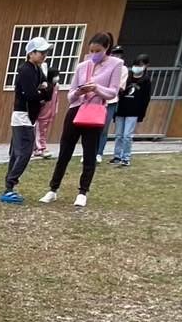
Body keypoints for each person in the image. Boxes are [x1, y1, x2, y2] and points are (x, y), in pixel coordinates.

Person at [40, 33, 123, 210]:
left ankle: (82, 192)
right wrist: (79, 92)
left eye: (97, 50)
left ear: (106, 47)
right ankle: (53, 189)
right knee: (65, 152)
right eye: (91, 50)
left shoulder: (116, 64)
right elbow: (70, 95)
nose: (94, 54)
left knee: (89, 153)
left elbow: (113, 93)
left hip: (95, 111)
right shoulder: (83, 66)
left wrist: (96, 88)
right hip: (76, 110)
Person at [0, 36, 50, 203]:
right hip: (22, 116)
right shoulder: (26, 70)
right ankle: (10, 184)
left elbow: (47, 89)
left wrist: (42, 92)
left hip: (29, 116)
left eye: (45, 52)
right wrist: (41, 93)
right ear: (31, 53)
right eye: (41, 52)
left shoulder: (38, 69)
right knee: (25, 152)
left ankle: (9, 186)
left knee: (16, 152)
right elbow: (31, 95)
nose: (44, 55)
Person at [111, 56, 152, 167]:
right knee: (119, 135)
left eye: (140, 65)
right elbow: (120, 92)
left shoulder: (146, 81)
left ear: (146, 66)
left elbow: (145, 99)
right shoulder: (127, 77)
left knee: (127, 136)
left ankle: (126, 157)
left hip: (133, 111)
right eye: (136, 65)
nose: (137, 68)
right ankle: (117, 156)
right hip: (121, 109)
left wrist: (141, 114)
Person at [96, 44, 129, 163]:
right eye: (114, 53)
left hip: (111, 101)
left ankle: (99, 152)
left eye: (119, 54)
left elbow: (118, 88)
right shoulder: (104, 66)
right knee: (93, 127)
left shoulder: (123, 69)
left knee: (104, 128)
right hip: (98, 99)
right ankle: (89, 151)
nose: (116, 56)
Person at [34, 55, 61, 159]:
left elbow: (57, 100)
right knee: (39, 131)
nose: (57, 78)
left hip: (50, 113)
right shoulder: (46, 88)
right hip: (42, 114)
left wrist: (55, 110)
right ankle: (40, 148)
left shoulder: (56, 86)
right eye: (55, 75)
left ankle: (42, 147)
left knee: (43, 132)